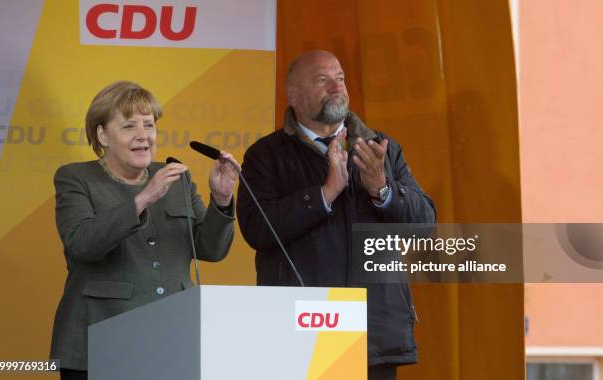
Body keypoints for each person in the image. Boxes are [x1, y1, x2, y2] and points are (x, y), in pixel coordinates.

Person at [236, 51, 436, 380]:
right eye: (322, 80)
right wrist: (324, 194)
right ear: (293, 95)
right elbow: (257, 229)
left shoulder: (381, 149)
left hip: (374, 334)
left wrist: (382, 189)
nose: (336, 87)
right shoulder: (265, 156)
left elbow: (424, 225)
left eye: (340, 78)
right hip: (302, 333)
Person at [50, 81, 238, 379]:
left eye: (149, 125)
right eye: (129, 127)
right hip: (100, 340)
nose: (143, 136)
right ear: (102, 135)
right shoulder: (76, 178)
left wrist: (222, 199)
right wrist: (143, 199)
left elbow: (211, 249)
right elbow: (82, 244)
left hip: (172, 339)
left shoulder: (178, 178)